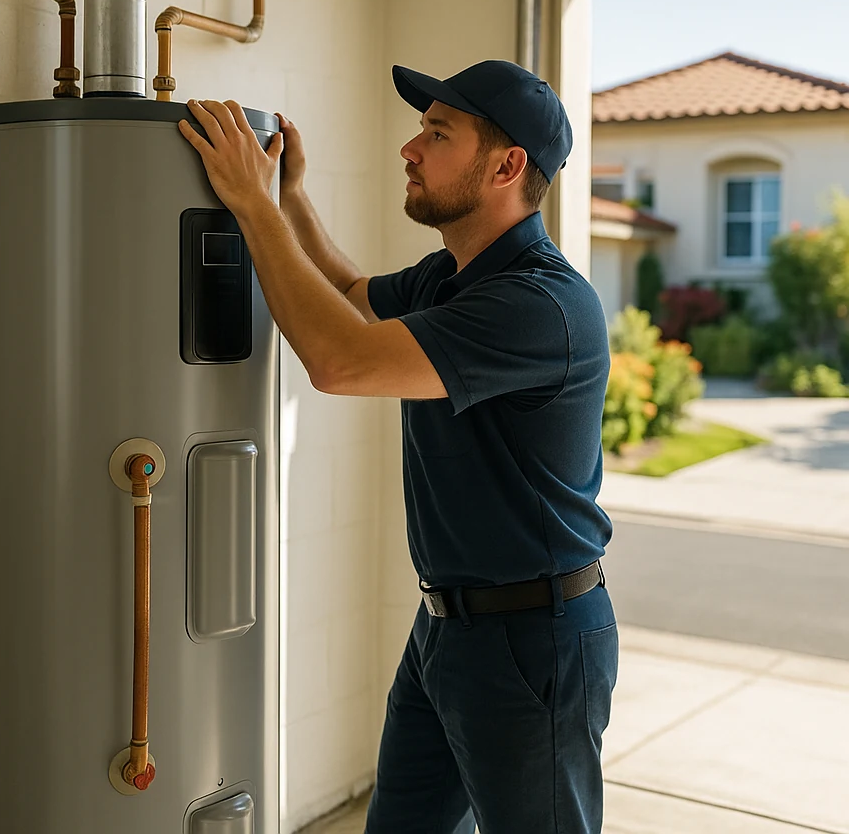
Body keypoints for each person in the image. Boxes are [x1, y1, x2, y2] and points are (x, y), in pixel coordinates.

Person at [178, 59, 618, 834]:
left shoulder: (537, 305)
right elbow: (350, 297)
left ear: (507, 165)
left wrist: (252, 208)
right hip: (447, 629)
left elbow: (341, 360)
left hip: (530, 642)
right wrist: (290, 201)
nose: (410, 149)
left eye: (438, 133)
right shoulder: (457, 280)